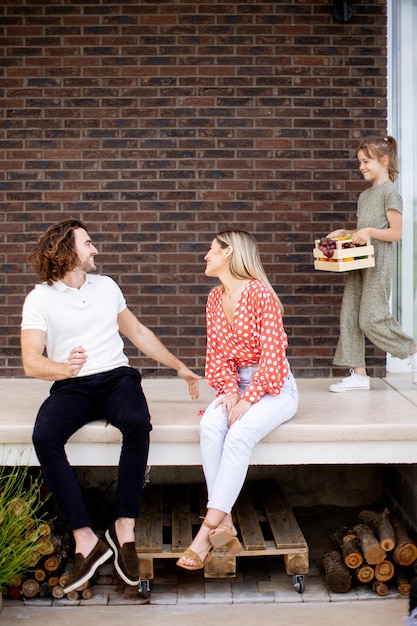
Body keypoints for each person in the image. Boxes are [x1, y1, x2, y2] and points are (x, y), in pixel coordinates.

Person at [20, 218, 200, 593]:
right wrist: (63, 368)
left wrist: (178, 366)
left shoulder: (106, 287)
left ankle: (123, 527)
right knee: (44, 436)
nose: (95, 249)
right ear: (67, 250)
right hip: (71, 385)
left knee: (137, 422)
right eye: (88, 243)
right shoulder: (40, 298)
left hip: (116, 377)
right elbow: (30, 361)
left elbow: (137, 332)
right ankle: (85, 537)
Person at [176, 230, 299, 570]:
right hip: (236, 386)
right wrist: (231, 391)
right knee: (210, 426)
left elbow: (274, 356)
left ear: (228, 253)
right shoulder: (215, 299)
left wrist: (249, 398)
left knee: (240, 433)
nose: (205, 256)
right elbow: (216, 354)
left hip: (274, 386)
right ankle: (226, 521)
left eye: (211, 250)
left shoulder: (260, 294)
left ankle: (204, 534)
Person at [327, 135, 417, 393]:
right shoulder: (365, 196)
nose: (361, 167)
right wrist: (345, 232)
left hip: (378, 263)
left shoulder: (390, 193)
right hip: (358, 261)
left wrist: (369, 231)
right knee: (350, 315)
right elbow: (364, 231)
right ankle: (358, 375)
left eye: (366, 161)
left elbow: (395, 233)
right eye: (359, 162)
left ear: (384, 160)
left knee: (371, 318)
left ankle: (412, 350)